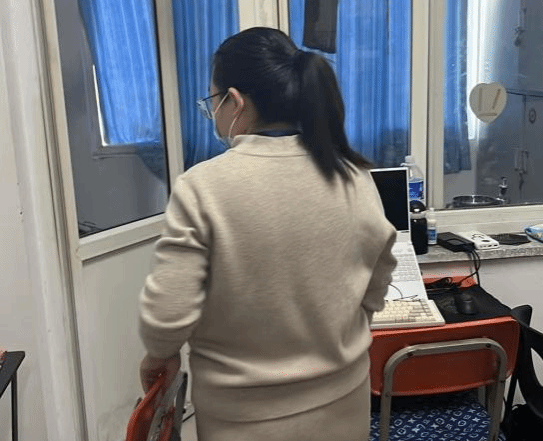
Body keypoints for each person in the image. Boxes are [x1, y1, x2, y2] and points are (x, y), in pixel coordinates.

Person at [138, 27, 396, 441]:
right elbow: (376, 283)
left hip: (243, 420)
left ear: (234, 101)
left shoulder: (203, 187)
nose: (213, 114)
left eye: (212, 102)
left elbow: (168, 313)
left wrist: (158, 356)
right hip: (344, 405)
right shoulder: (354, 176)